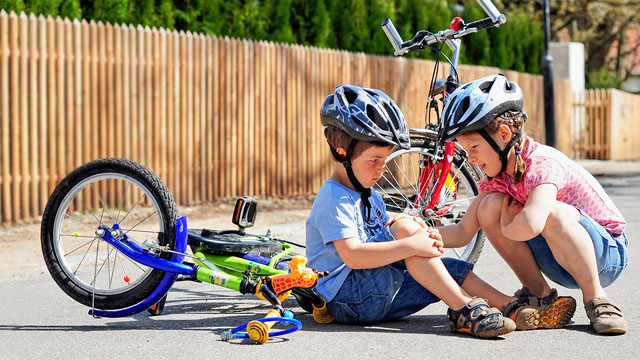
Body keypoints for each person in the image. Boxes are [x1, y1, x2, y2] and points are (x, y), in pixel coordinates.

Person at [306, 85, 552, 338]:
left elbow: (378, 232)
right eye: (374, 161)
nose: (381, 169)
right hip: (348, 298)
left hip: (377, 295)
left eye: (384, 160)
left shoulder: (370, 196)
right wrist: (412, 244)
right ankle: (462, 307)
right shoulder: (334, 198)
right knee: (408, 232)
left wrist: (407, 227)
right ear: (341, 152)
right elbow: (354, 256)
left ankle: (510, 307)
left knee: (451, 268)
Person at [436, 74, 629, 335]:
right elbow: (461, 233)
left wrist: (506, 223)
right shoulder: (498, 176)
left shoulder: (542, 164)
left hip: (605, 254)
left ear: (503, 135)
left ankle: (598, 299)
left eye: (474, 147)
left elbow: (531, 224)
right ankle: (540, 296)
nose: (470, 158)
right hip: (560, 257)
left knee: (551, 213)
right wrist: (417, 232)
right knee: (489, 206)